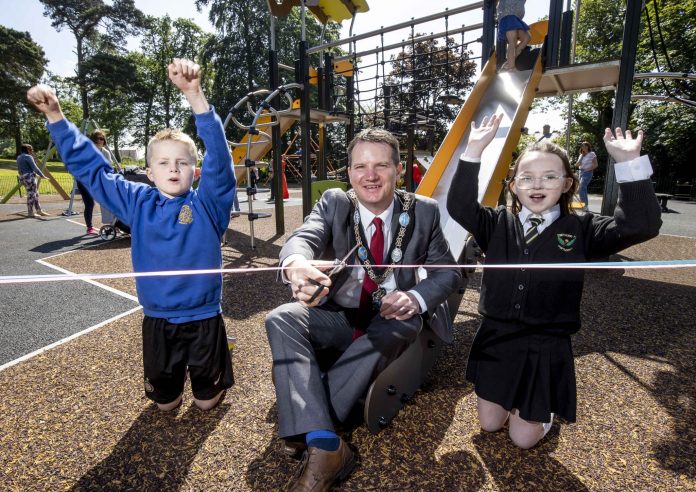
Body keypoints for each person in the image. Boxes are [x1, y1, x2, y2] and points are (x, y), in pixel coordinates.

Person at [27, 58, 236, 412]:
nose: (173, 168)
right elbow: (93, 172)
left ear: (194, 171)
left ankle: (214, 366)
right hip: (158, 319)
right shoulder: (138, 203)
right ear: (150, 173)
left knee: (206, 404)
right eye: (163, 163)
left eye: (182, 162)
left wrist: (195, 94)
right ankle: (173, 386)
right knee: (166, 405)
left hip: (204, 318)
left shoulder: (209, 204)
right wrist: (57, 118)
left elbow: (220, 157)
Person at [447, 114, 661, 449]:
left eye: (549, 177)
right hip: (497, 339)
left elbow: (641, 225)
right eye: (527, 177)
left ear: (567, 184)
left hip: (544, 345)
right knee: (489, 426)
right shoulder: (496, 223)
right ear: (514, 185)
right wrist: (473, 149)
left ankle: (543, 416)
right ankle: (511, 403)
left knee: (522, 440)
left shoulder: (584, 229)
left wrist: (630, 164)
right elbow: (458, 206)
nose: (537, 185)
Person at [265, 128, 461, 491]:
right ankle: (326, 441)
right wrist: (295, 264)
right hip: (339, 314)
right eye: (360, 167)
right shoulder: (336, 203)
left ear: (399, 170)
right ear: (350, 172)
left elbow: (447, 272)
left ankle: (311, 426)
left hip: (391, 319)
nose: (370, 176)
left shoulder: (424, 212)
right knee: (281, 318)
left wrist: (415, 298)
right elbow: (304, 238)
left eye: (381, 166)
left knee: (402, 326)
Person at [16, 144, 50, 218]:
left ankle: (38, 210)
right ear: (27, 149)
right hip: (29, 177)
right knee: (31, 195)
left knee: (35, 194)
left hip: (23, 177)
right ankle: (30, 212)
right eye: (31, 149)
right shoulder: (28, 157)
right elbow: (35, 168)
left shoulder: (19, 157)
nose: (32, 151)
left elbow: (20, 170)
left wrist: (31, 175)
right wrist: (42, 175)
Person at [497, 0, 531, 71]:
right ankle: (511, 67)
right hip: (507, 16)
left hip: (516, 18)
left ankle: (510, 60)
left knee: (527, 37)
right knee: (513, 40)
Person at [576, 141, 598, 211]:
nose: (584, 147)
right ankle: (585, 205)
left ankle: (585, 205)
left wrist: (588, 169)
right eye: (583, 146)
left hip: (587, 173)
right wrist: (581, 156)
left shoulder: (592, 154)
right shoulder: (581, 155)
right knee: (582, 189)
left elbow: (595, 165)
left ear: (588, 147)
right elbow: (577, 165)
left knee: (581, 187)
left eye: (586, 146)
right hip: (581, 172)